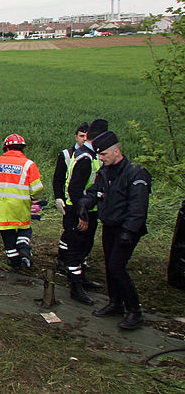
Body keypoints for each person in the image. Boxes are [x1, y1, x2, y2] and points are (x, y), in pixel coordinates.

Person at [77, 131, 151, 330]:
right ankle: (115, 303)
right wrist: (84, 204)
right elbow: (95, 192)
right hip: (110, 225)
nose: (100, 158)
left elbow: (138, 206)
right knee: (110, 266)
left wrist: (129, 230)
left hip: (126, 229)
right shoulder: (105, 171)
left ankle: (134, 311)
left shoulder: (135, 173)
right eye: (99, 155)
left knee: (117, 267)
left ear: (116, 151)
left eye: (104, 155)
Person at [59, 121, 106, 304]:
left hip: (88, 209)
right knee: (76, 249)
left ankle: (82, 278)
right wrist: (82, 214)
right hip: (79, 210)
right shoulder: (85, 158)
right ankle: (75, 286)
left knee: (85, 246)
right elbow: (75, 189)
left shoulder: (88, 155)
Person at [0, 133, 45, 268]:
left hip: (2, 206)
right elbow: (37, 188)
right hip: (21, 205)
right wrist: (33, 198)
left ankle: (14, 262)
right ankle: (23, 246)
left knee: (7, 233)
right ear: (22, 148)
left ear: (6, 148)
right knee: (24, 228)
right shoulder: (29, 164)